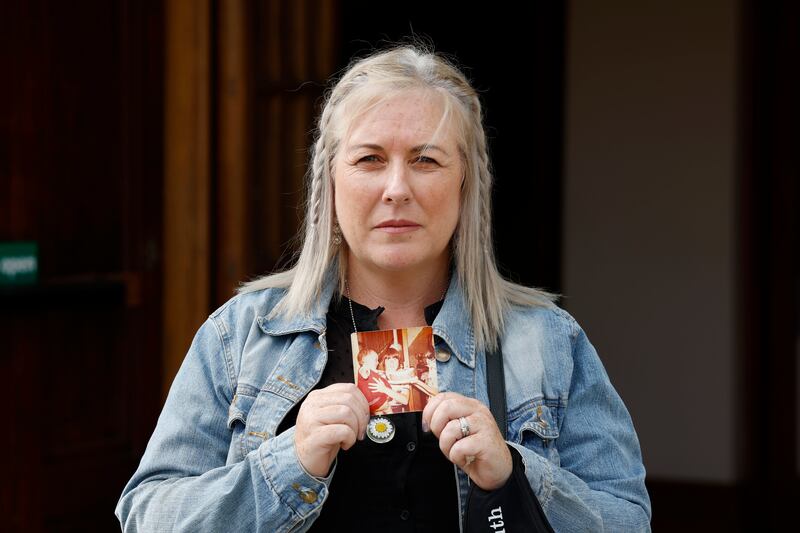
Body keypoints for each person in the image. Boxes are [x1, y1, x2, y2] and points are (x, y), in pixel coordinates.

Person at [115, 40, 651, 531]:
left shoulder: (547, 341)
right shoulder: (242, 335)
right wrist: (289, 463)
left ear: (465, 182)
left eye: (425, 160)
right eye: (370, 159)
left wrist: (513, 474)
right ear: (330, 180)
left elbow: (628, 520)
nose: (397, 188)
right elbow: (146, 517)